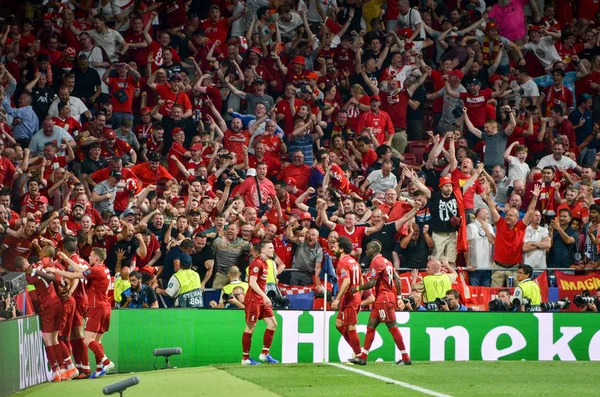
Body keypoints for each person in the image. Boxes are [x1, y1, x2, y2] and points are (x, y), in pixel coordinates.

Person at [49, 248, 115, 378]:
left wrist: (56, 271)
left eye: (91, 255)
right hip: (106, 308)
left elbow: (74, 275)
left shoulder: (96, 270)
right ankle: (99, 368)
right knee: (97, 340)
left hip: (97, 308)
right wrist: (67, 259)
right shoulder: (104, 269)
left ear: (96, 258)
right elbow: (81, 270)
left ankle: (106, 362)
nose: (88, 257)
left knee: (87, 340)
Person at [349, 240, 411, 366]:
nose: (366, 251)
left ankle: (405, 357)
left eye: (367, 249)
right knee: (370, 326)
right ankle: (363, 357)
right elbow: (397, 279)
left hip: (384, 299)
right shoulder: (387, 261)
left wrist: (357, 288)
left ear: (373, 250)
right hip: (382, 299)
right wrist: (399, 296)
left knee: (392, 327)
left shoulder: (376, 262)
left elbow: (371, 283)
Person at [241, 240, 279, 365]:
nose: (273, 250)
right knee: (251, 326)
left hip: (261, 300)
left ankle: (264, 353)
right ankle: (245, 358)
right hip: (253, 300)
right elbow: (252, 282)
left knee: (273, 323)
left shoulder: (267, 263)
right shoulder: (256, 263)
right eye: (270, 247)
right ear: (263, 250)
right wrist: (265, 296)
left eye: (273, 247)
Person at [331, 236, 363, 363]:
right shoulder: (354, 262)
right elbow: (361, 280)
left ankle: (359, 355)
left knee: (351, 327)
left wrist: (337, 299)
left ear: (342, 249)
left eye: (336, 245)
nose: (334, 247)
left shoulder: (342, 263)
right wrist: (359, 296)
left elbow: (346, 282)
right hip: (353, 298)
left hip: (349, 299)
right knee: (339, 324)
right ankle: (357, 350)